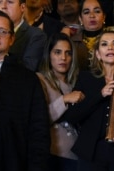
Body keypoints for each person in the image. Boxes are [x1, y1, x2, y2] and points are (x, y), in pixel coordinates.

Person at [57, 30, 114, 171]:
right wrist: (101, 94)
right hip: (91, 152)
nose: (110, 47)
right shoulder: (86, 79)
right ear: (98, 54)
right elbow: (72, 116)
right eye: (104, 44)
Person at [0, 9, 50, 171]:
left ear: (12, 38)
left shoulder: (28, 79)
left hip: (15, 162)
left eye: (2, 31)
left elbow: (39, 131)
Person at [37, 32, 85, 171]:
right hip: (53, 154)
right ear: (49, 55)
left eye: (68, 53)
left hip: (77, 155)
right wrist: (64, 99)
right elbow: (39, 120)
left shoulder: (77, 83)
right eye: (57, 52)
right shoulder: (39, 79)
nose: (63, 58)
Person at [0, 0, 47, 71]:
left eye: (10, 2)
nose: (3, 6)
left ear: (22, 7)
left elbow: (28, 68)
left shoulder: (36, 35)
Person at [71, 0, 106, 70]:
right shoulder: (72, 42)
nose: (92, 16)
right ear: (80, 19)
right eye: (86, 12)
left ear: (104, 17)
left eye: (97, 11)